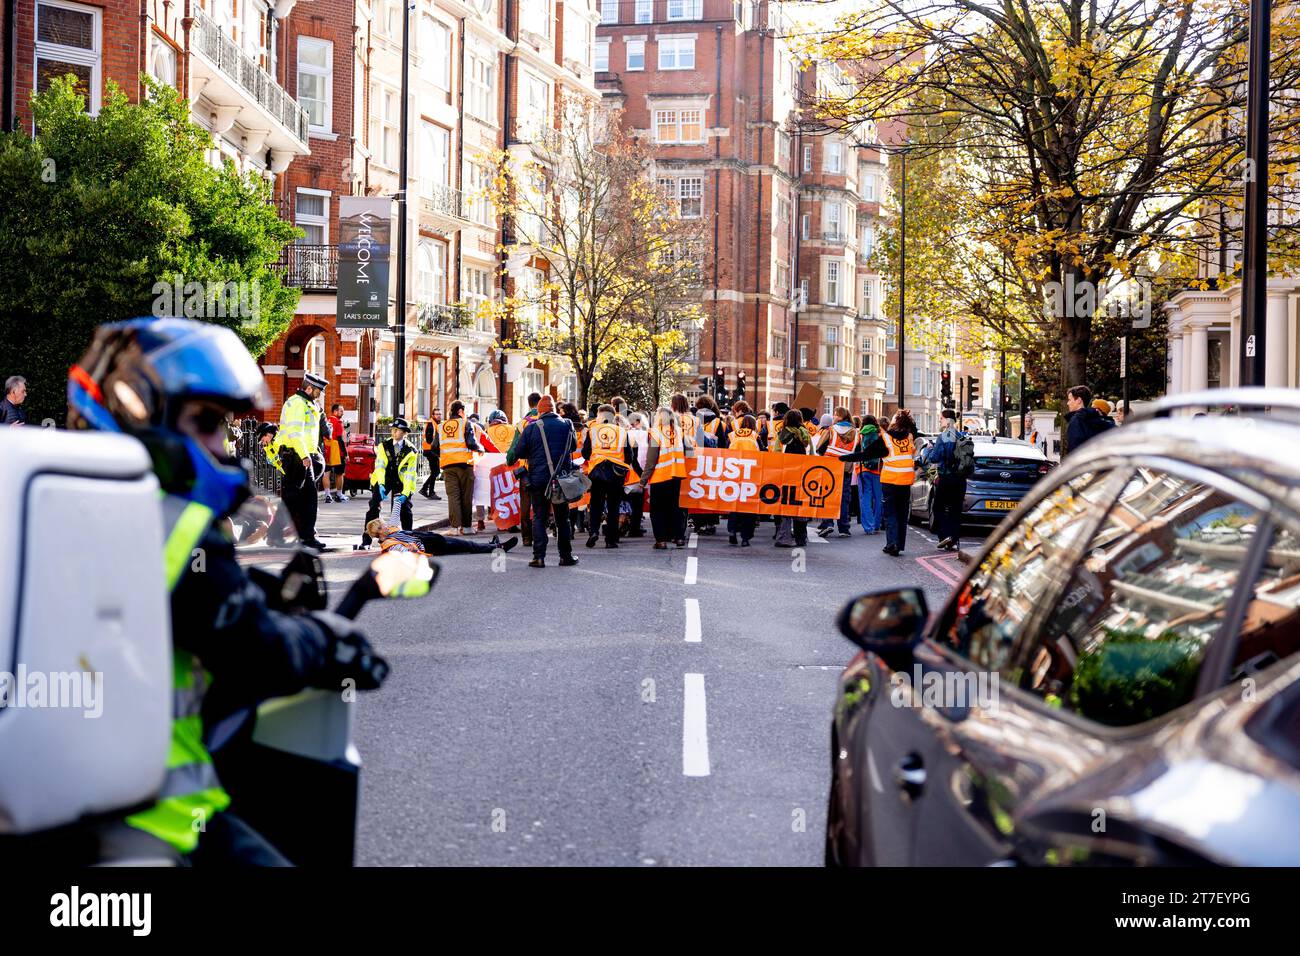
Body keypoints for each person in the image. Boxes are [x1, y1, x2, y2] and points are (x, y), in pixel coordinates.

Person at [66, 317, 387, 865]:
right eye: (207, 422)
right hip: (152, 814)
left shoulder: (54, 502)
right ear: (136, 410)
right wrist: (326, 642)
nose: (225, 445)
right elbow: (255, 649)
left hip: (53, 811)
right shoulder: (171, 526)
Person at [507, 394, 579, 567]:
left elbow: (519, 452)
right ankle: (565, 556)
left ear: (539, 412)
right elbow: (574, 447)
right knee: (563, 519)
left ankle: (539, 557)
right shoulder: (567, 424)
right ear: (554, 410)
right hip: (561, 479)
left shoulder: (531, 428)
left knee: (539, 517)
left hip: (538, 480)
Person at [842, 409, 918, 556]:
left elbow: (866, 454)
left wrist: (845, 458)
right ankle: (899, 544)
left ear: (894, 423)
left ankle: (892, 544)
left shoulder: (886, 439)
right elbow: (912, 449)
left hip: (890, 481)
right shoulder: (909, 437)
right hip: (906, 481)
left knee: (891, 514)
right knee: (902, 513)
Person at [274, 371, 331, 551]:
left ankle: (281, 535)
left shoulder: (307, 404)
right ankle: (306, 537)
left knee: (294, 499)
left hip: (300, 455)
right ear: (309, 388)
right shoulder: (298, 404)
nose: (319, 394)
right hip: (298, 457)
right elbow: (295, 433)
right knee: (306, 498)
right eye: (317, 391)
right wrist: (305, 455)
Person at [582, 404, 638, 548]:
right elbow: (629, 456)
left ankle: (594, 531)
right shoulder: (622, 432)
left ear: (600, 416)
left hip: (597, 471)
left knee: (596, 504)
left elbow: (585, 453)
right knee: (614, 506)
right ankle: (611, 539)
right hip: (616, 473)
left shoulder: (592, 431)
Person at [358, 417, 418, 550]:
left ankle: (409, 539)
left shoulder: (411, 450)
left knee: (405, 509)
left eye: (397, 430)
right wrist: (380, 485)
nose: (393, 432)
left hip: (401, 481)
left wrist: (405, 493)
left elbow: (410, 475)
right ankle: (366, 541)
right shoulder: (383, 446)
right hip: (383, 479)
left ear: (404, 433)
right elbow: (380, 467)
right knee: (374, 507)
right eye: (393, 429)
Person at [921, 408, 967, 551]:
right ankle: (953, 538)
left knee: (938, 508)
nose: (940, 420)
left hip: (946, 478)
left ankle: (945, 535)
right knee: (955, 509)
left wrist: (929, 449)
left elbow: (934, 458)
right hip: (960, 480)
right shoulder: (962, 436)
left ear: (947, 420)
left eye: (941, 418)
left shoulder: (944, 436)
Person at [642, 406, 688, 549]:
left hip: (660, 476)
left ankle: (661, 540)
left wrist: (643, 480)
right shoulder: (680, 432)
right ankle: (679, 537)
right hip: (677, 475)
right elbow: (686, 452)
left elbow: (651, 459)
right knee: (675, 507)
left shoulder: (656, 433)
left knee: (657, 510)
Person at [366, 519, 516, 556]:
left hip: (431, 539)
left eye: (383, 524)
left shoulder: (392, 530)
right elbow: (401, 551)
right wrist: (411, 550)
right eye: (381, 527)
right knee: (467, 546)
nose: (384, 526)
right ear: (378, 533)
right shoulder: (389, 544)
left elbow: (395, 515)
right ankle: (498, 547)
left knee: (467, 543)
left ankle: (492, 545)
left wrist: (399, 498)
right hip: (431, 547)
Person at [816, 407, 859, 538]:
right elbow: (858, 451)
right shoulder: (856, 433)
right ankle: (844, 528)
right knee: (844, 498)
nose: (833, 417)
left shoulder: (831, 430)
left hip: (830, 467)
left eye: (835, 415)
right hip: (846, 468)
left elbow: (819, 448)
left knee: (828, 495)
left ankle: (827, 523)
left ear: (839, 417)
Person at [439, 400, 481, 535]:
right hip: (465, 465)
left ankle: (454, 528)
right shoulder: (466, 424)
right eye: (465, 412)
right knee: (466, 497)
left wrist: (446, 455)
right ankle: (467, 527)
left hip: (448, 466)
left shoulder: (441, 426)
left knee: (453, 497)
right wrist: (481, 449)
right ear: (460, 411)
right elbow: (471, 443)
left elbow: (434, 447)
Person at [507, 392, 543, 546]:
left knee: (526, 505)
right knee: (541, 504)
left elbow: (513, 451)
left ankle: (527, 537)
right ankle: (540, 534)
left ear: (529, 404)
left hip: (527, 470)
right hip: (544, 469)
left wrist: (510, 460)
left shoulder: (522, 424)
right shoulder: (547, 420)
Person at [774, 408, 811, 548]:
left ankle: (784, 537)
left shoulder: (783, 433)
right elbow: (811, 451)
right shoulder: (805, 432)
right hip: (802, 471)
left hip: (787, 470)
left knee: (786, 503)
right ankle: (801, 538)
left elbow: (777, 451)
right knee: (800, 505)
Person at [726, 414, 761, 546]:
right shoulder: (755, 436)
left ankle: (732, 530)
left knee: (735, 503)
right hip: (751, 474)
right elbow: (762, 452)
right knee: (748, 505)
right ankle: (746, 537)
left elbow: (725, 450)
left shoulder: (732, 435)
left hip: (734, 473)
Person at [1064, 385, 1115, 456]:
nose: (1068, 403)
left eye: (1070, 400)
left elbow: (1074, 450)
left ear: (1079, 400)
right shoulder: (1100, 418)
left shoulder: (1077, 420)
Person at [855, 415, 884, 535]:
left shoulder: (860, 434)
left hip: (863, 469)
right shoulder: (880, 434)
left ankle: (868, 526)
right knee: (878, 498)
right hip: (878, 470)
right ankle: (877, 525)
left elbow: (856, 450)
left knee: (865, 497)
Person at [625, 411, 650, 537]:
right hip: (638, 472)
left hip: (624, 472)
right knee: (637, 503)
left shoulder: (625, 433)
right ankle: (635, 527)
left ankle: (624, 524)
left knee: (624, 501)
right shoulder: (646, 435)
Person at [320, 403, 346, 503]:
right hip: (337, 450)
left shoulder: (326, 420)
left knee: (326, 473)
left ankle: (327, 495)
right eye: (341, 411)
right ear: (335, 411)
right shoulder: (338, 422)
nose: (342, 413)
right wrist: (345, 453)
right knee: (339, 474)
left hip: (326, 448)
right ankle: (339, 495)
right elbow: (340, 438)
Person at [420, 409, 442, 500]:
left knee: (435, 472)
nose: (439, 416)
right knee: (435, 472)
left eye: (440, 414)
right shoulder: (431, 424)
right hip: (430, 451)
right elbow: (429, 439)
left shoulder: (435, 424)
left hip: (431, 451)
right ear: (433, 415)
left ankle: (424, 489)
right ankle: (430, 492)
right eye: (437, 414)